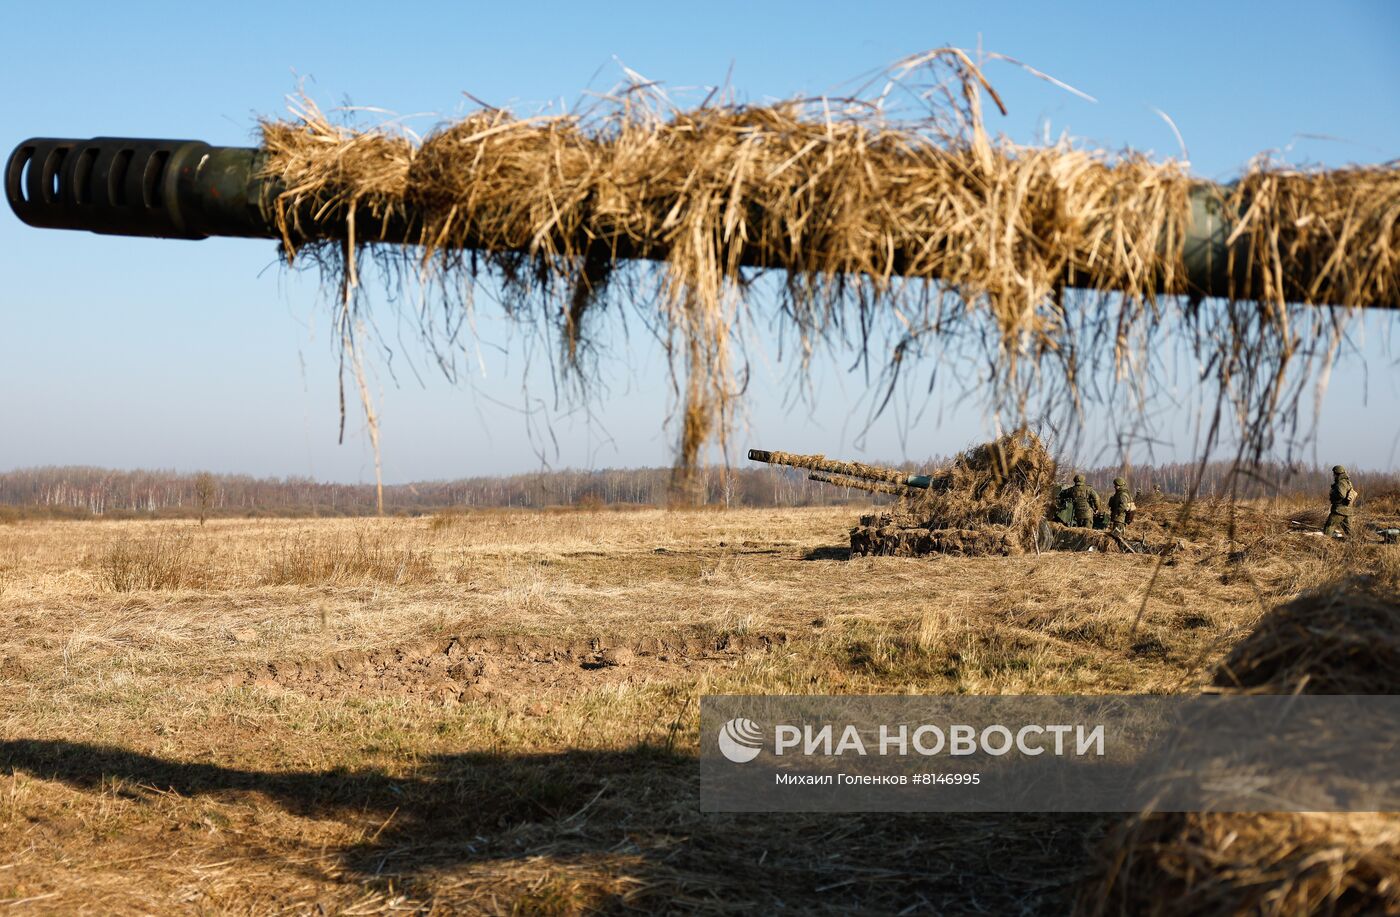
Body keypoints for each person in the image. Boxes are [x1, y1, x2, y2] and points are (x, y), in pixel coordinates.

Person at [1322, 465, 1358, 538]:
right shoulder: (1347, 482)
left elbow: (1342, 495)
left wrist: (1333, 494)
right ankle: (1356, 542)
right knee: (1350, 532)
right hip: (1348, 510)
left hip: (1339, 510)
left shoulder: (1340, 483)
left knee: (1329, 527)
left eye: (1334, 474)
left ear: (1337, 474)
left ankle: (1325, 542)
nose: (1333, 475)